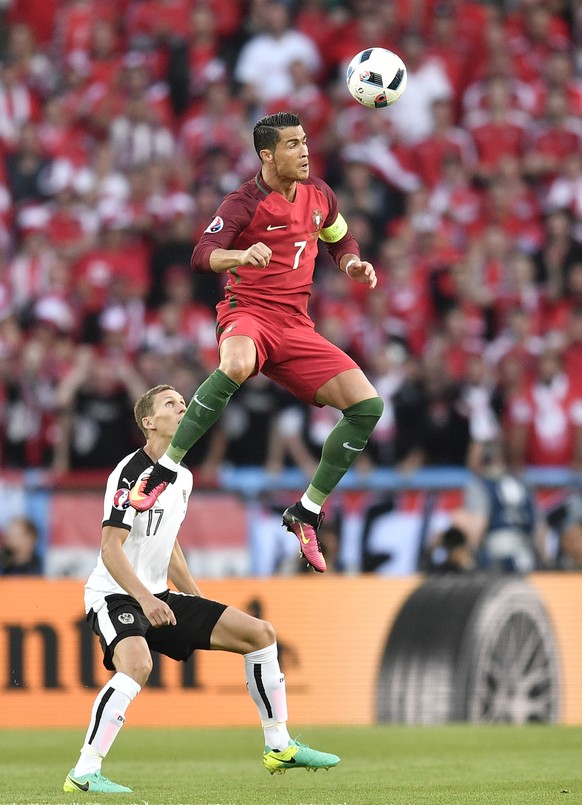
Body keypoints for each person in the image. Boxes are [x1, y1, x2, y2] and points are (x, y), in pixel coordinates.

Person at [129, 111, 384, 574]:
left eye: (305, 141)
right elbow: (202, 255)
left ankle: (306, 511)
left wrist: (351, 264)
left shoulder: (320, 194)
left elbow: (339, 239)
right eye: (292, 145)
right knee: (237, 363)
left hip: (296, 326)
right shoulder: (243, 203)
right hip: (248, 312)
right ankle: (166, 468)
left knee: (367, 406)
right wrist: (241, 254)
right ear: (267, 155)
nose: (304, 151)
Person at [63, 384, 339, 795]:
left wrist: (192, 594)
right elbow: (109, 547)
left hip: (158, 594)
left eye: (184, 403)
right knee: (137, 665)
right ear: (148, 422)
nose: (183, 407)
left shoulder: (183, 478)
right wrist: (145, 599)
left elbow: (168, 541)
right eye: (171, 404)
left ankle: (279, 745)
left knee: (260, 635)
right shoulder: (130, 473)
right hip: (114, 593)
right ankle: (84, 772)